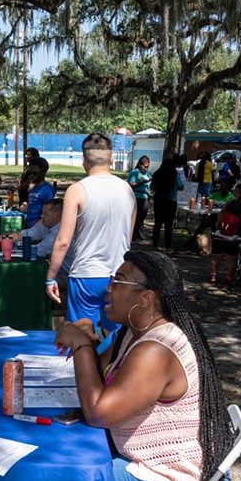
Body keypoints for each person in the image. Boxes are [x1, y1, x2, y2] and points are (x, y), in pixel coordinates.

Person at [54, 250, 234, 481]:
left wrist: (81, 346)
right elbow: (98, 375)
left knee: (73, 480)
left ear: (146, 297)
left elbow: (98, 412)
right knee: (73, 467)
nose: (107, 289)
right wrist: (89, 341)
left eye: (116, 282)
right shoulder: (132, 333)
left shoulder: (156, 349)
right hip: (161, 467)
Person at [46, 132, 136, 332]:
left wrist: (51, 276)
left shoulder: (77, 190)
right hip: (117, 273)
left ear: (82, 160)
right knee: (115, 340)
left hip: (85, 275)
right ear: (112, 159)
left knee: (80, 338)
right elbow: (127, 238)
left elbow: (63, 240)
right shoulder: (128, 190)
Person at [0, 198, 74, 290]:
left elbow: (36, 252)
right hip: (59, 271)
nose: (41, 216)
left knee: (27, 277)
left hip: (68, 275)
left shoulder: (60, 231)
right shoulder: (47, 226)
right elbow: (20, 235)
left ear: (57, 216)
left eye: (45, 214)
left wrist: (9, 251)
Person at [209, 182, 241, 287]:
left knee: (216, 257)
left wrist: (218, 224)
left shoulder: (230, 202)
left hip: (220, 234)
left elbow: (221, 213)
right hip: (233, 238)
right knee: (232, 260)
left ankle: (213, 276)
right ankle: (228, 279)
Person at [151, 157, 184, 254]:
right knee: (168, 226)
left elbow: (152, 187)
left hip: (158, 201)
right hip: (170, 202)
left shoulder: (157, 174)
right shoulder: (174, 175)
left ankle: (155, 245)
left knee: (157, 224)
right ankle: (168, 247)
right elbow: (181, 187)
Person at [24, 156, 54, 228]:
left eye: (34, 173)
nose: (31, 176)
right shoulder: (33, 188)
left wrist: (34, 228)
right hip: (30, 227)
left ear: (43, 173)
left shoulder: (46, 189)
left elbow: (49, 213)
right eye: (29, 173)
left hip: (39, 229)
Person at [127, 155, 152, 241]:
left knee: (142, 217)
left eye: (147, 167)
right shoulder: (135, 172)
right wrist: (141, 183)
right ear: (140, 165)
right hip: (137, 196)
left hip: (145, 196)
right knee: (136, 217)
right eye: (145, 167)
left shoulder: (147, 174)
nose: (146, 169)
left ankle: (140, 234)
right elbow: (130, 184)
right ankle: (133, 235)